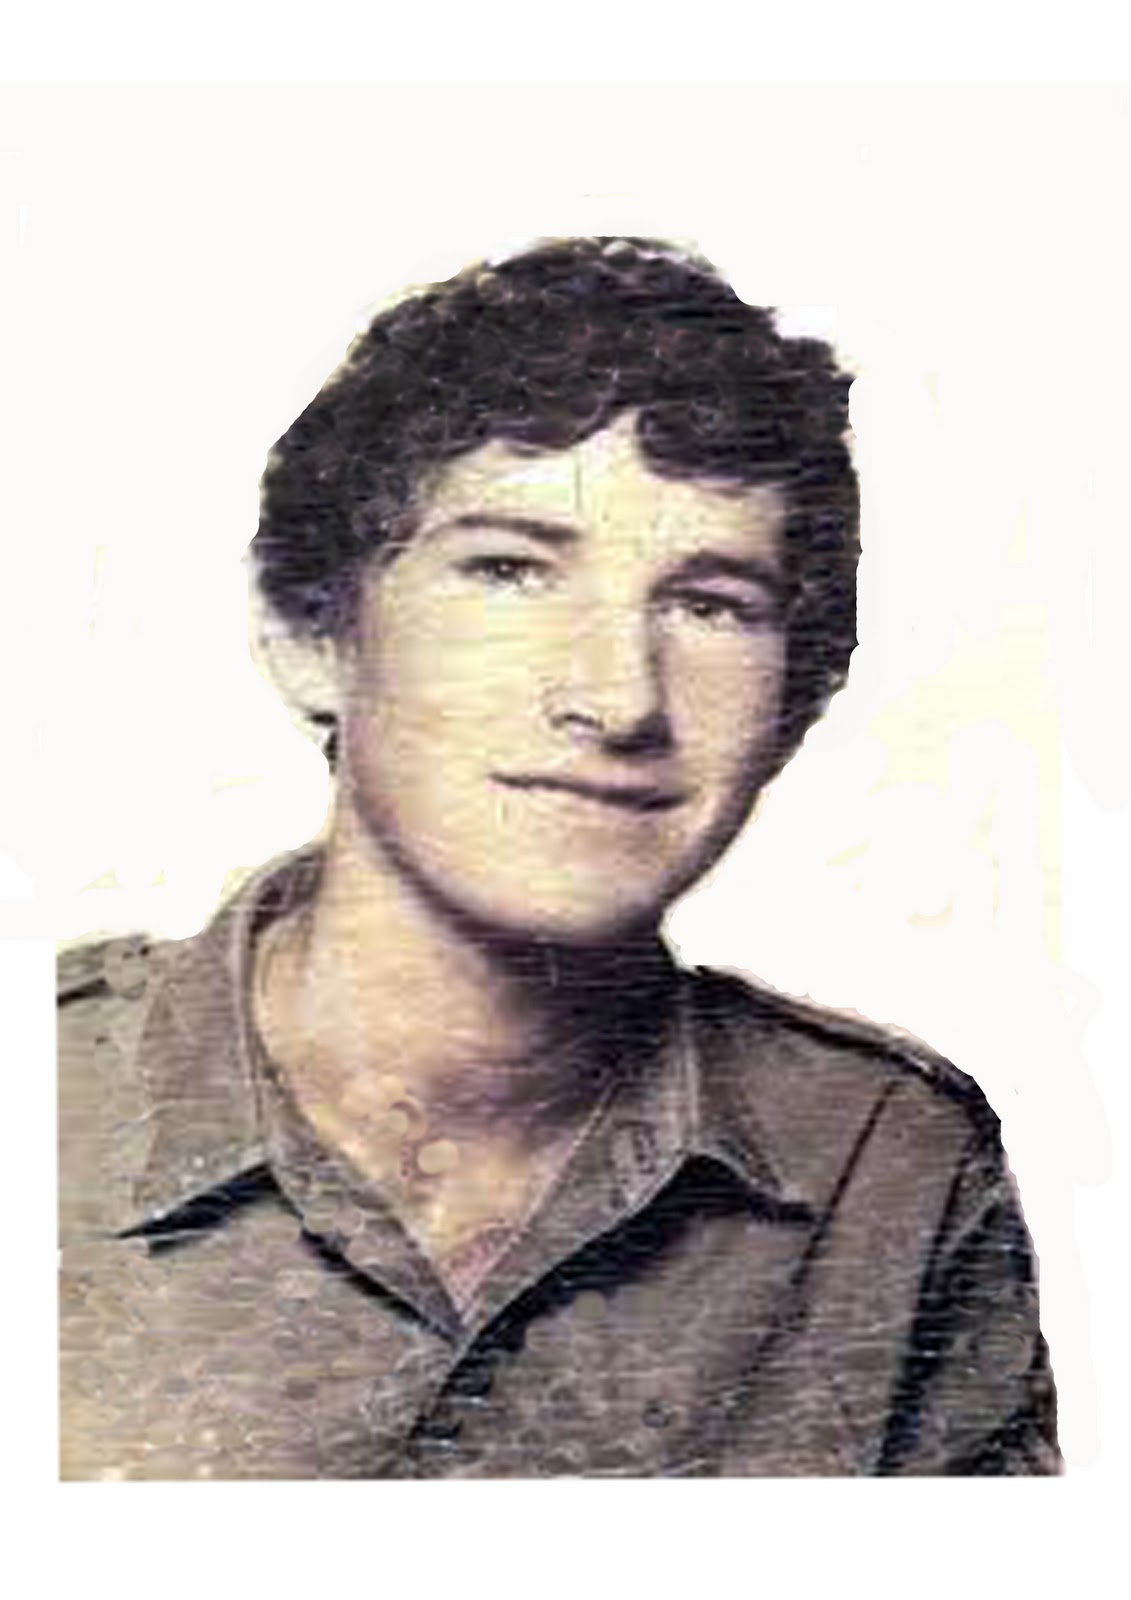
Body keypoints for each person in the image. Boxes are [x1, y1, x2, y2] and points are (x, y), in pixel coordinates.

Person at [57, 236, 1060, 1478]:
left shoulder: (889, 1163)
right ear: (308, 636)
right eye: (509, 571)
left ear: (794, 703)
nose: (619, 696)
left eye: (711, 603)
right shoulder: (49, 1096)